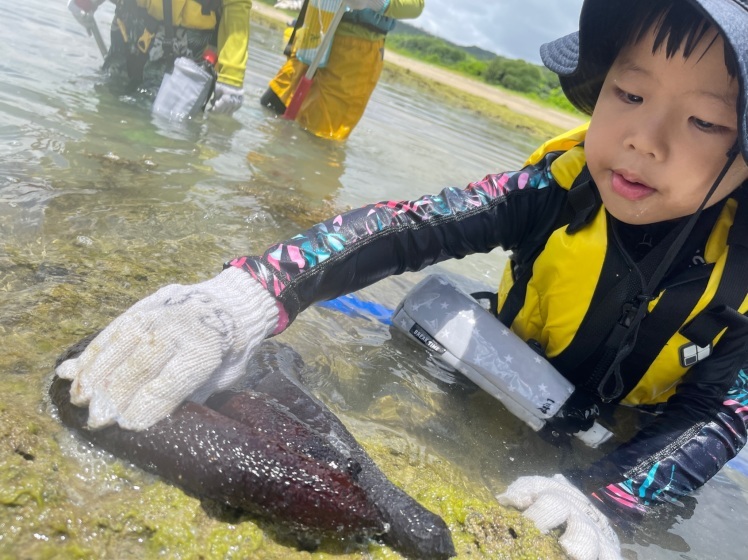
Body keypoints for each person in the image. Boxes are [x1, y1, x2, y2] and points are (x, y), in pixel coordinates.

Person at [56, 0, 748, 558]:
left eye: (703, 121)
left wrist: (606, 498)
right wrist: (251, 293)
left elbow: (719, 414)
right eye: (628, 92)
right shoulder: (556, 188)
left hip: (632, 431)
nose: (643, 137)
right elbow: (410, 224)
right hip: (505, 378)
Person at [260, 0, 425, 140]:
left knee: (315, 138)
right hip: (314, 32)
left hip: (356, 53)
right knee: (270, 108)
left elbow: (416, 5)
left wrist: (376, 2)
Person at [67, 0, 251, 114]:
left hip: (186, 46)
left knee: (158, 129)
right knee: (107, 101)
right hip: (130, 25)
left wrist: (232, 77)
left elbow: (236, 6)